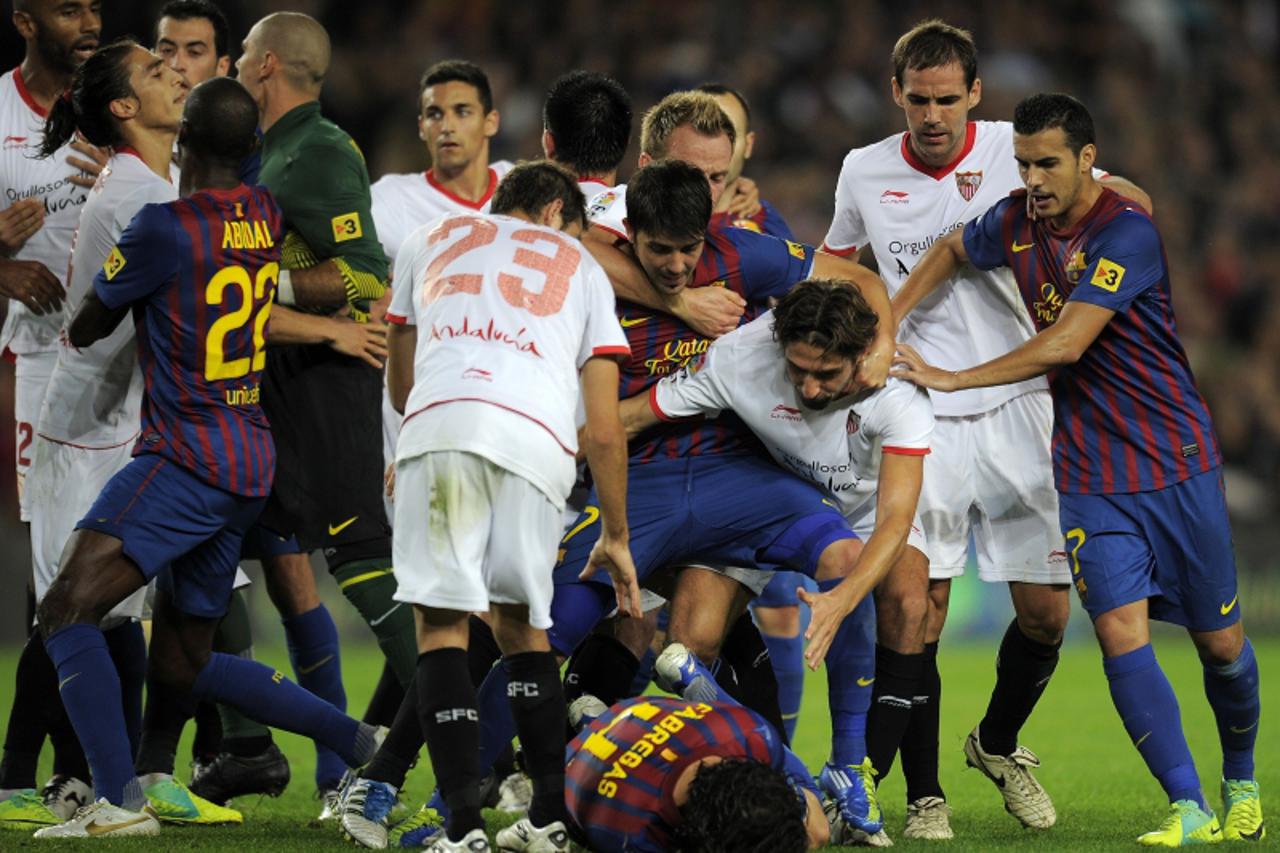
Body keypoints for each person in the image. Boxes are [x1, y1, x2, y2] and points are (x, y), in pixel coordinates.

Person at [891, 92, 1263, 847]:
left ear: (1088, 159)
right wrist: (891, 316)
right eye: (1024, 163)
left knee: (1221, 645)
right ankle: (1188, 805)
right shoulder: (1013, 223)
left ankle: (1242, 780)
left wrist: (957, 377)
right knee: (1120, 633)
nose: (1032, 178)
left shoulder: (1129, 231)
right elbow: (955, 249)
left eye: (1048, 162)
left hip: (1175, 460)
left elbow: (1066, 343)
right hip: (1091, 470)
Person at [32, 74, 385, 839]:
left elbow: (91, 323)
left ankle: (116, 803)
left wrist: (126, 282)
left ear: (184, 143)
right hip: (249, 458)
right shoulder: (262, 211)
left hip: (185, 454)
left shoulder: (162, 228)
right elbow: (238, 162)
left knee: (64, 610)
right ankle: (361, 742)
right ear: (252, 150)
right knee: (186, 656)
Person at [821, 19, 1150, 838]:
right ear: (896, 94)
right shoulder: (863, 169)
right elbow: (833, 260)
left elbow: (1125, 201)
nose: (932, 116)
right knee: (915, 607)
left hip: (1022, 399)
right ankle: (925, 793)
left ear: (976, 95)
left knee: (1045, 614)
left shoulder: (1019, 148)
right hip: (918, 407)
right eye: (917, 100)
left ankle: (996, 742)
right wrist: (862, 320)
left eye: (947, 100)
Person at [379, 160, 638, 853]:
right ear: (558, 213)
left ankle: (463, 829)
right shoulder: (582, 268)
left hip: (440, 430)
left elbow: (401, 381)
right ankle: (552, 816)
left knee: (442, 629)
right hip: (537, 446)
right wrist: (614, 531)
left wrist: (427, 428)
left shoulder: (428, 237)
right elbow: (605, 427)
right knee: (524, 628)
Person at [234, 11, 405, 816]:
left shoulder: (320, 150)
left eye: (238, 53)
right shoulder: (265, 153)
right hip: (272, 390)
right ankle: (241, 753)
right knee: (230, 567)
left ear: (267, 65)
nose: (232, 62)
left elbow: (367, 273)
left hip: (325, 391)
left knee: (364, 568)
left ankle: (484, 733)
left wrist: (277, 294)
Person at [0, 0, 101, 828]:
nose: (89, 19)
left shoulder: (113, 104)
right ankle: (57, 771)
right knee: (60, 577)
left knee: (102, 578)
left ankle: (49, 768)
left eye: (98, 4)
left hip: (128, 367)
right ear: (26, 19)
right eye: (70, 6)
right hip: (41, 366)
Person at [566, 696, 829, 853]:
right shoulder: (628, 833)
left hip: (645, 715)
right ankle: (594, 730)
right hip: (579, 761)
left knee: (817, 833)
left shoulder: (752, 733)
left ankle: (603, 726)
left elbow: (816, 831)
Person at [370, 59, 512, 267]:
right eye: (434, 114)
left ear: (490, 123)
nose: (446, 126)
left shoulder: (525, 188)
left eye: (462, 112)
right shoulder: (391, 201)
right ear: (421, 127)